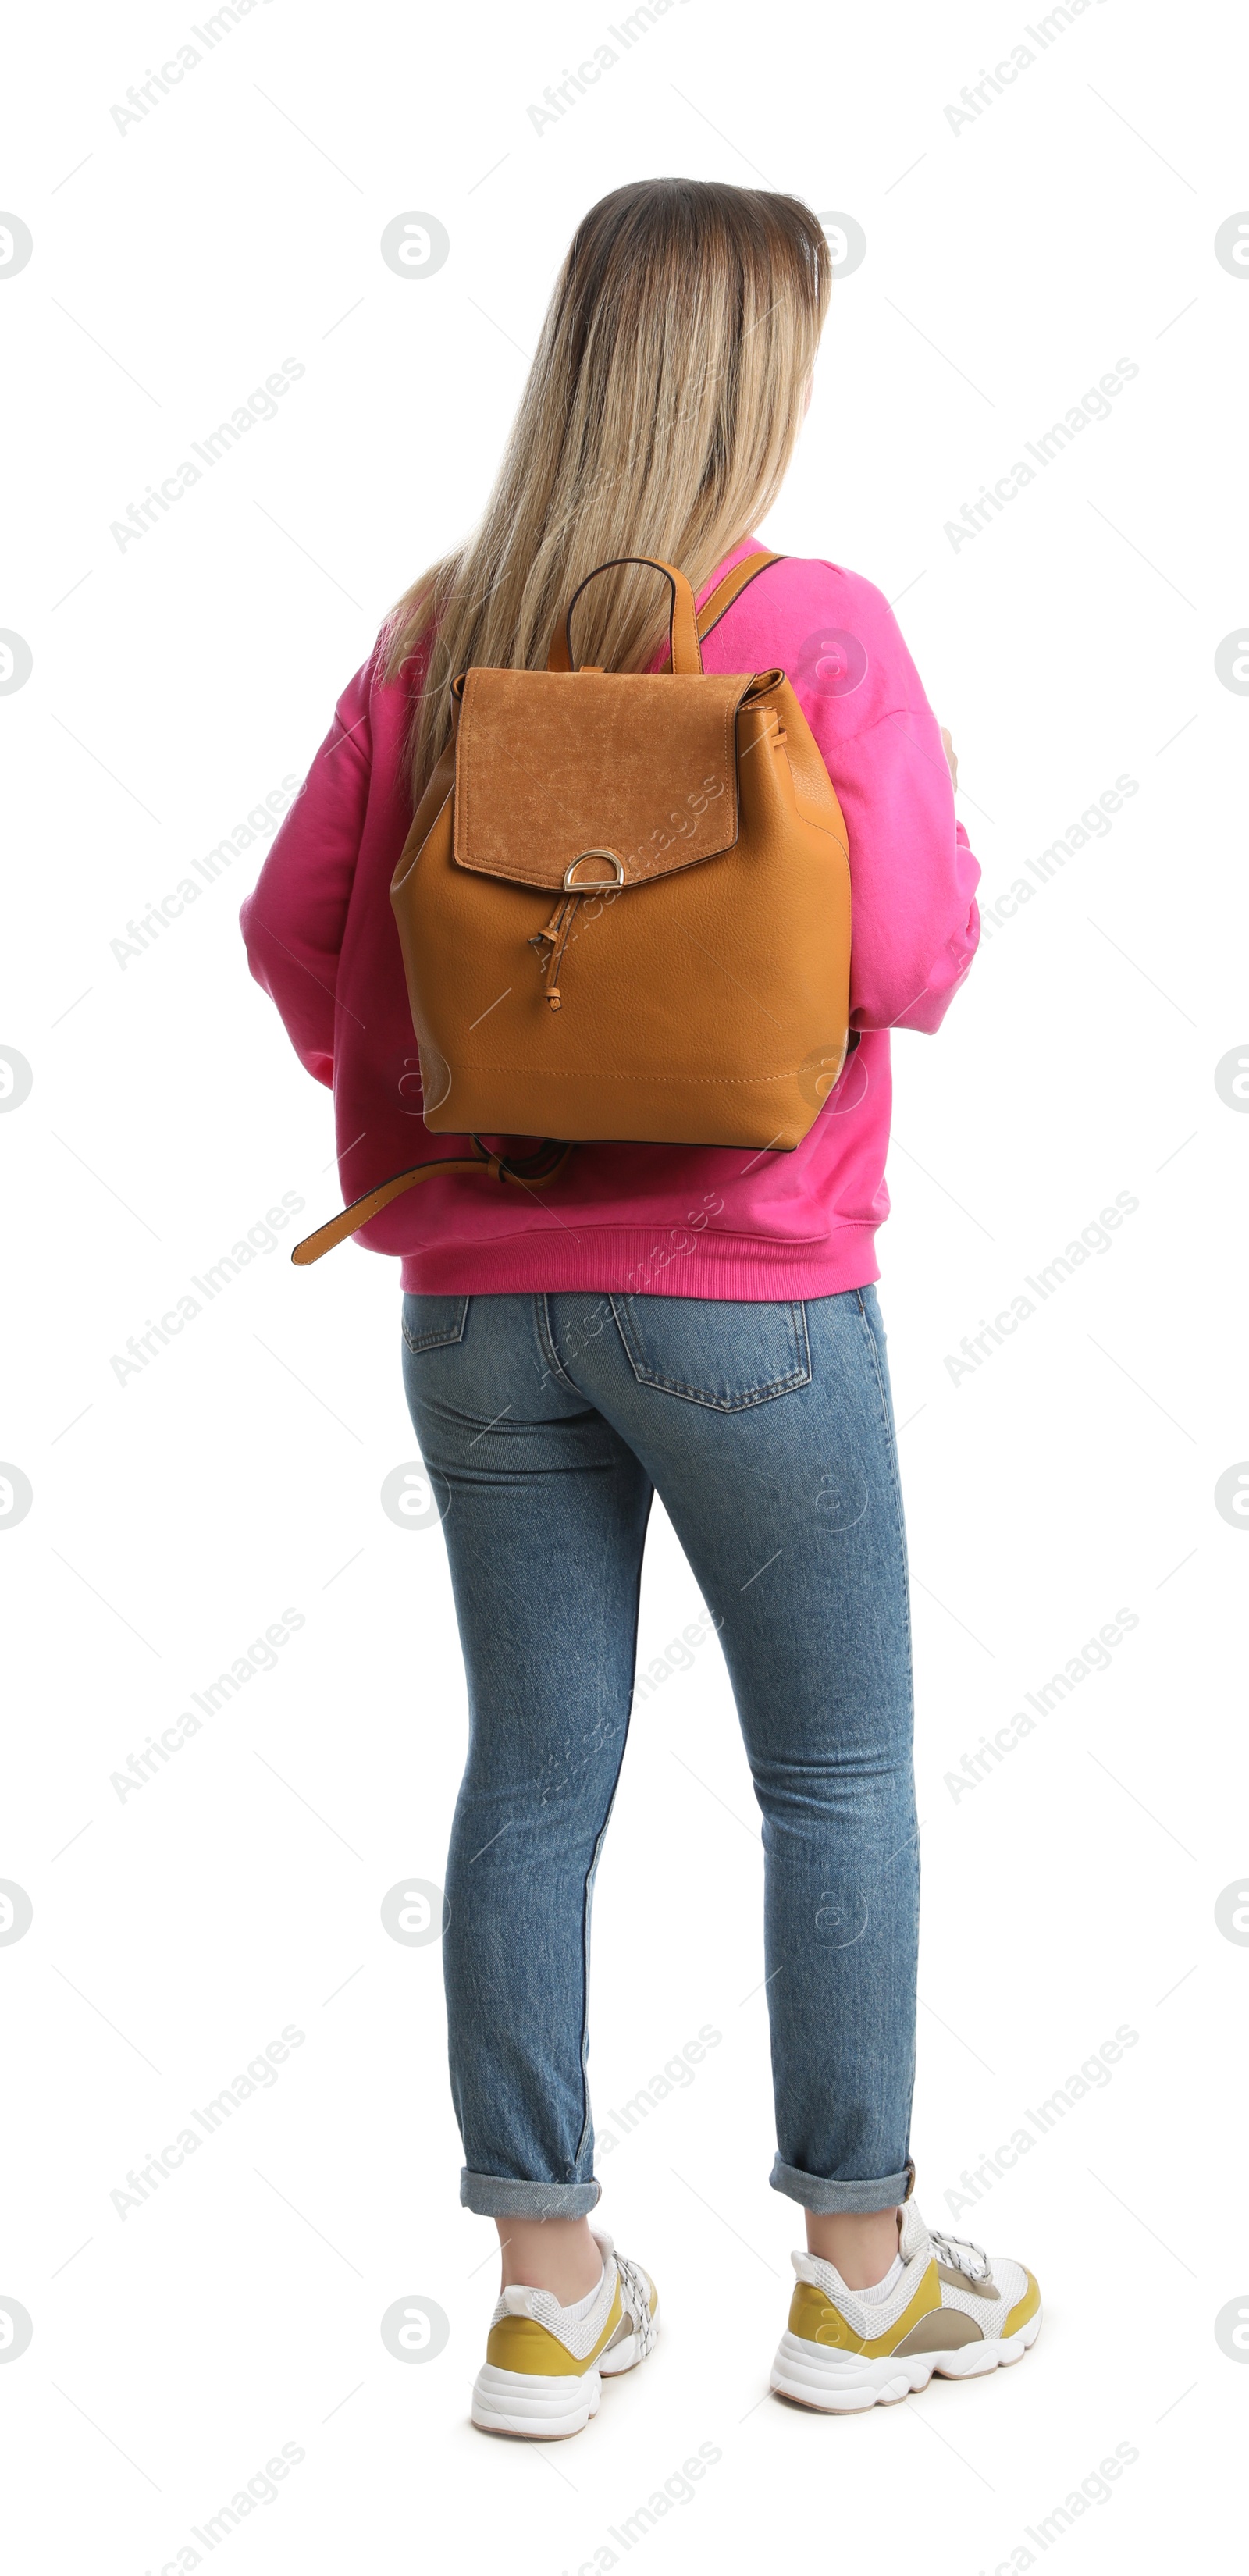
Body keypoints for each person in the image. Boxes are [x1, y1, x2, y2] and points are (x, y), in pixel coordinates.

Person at [241, 176, 1041, 2435]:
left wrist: (470, 1091)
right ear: (756, 371)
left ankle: (545, 2291)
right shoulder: (817, 627)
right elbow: (911, 963)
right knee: (839, 1771)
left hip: (483, 1304)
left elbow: (300, 939)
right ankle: (864, 2279)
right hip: (753, 1291)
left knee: (534, 1775)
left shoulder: (436, 630)